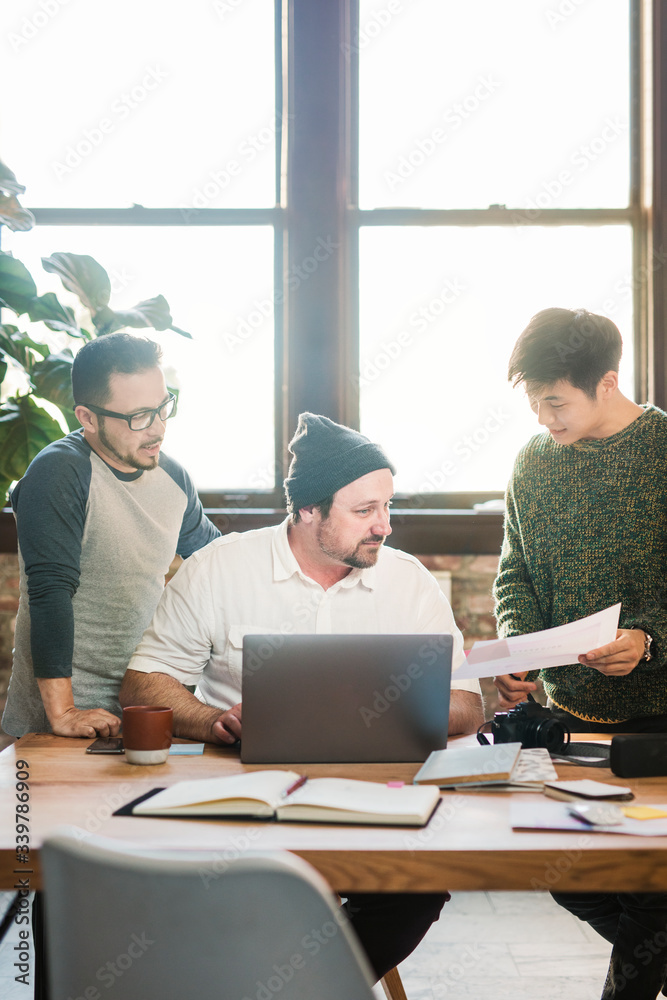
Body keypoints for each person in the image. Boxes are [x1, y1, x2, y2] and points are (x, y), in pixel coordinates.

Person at [119, 412, 484, 982]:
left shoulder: (407, 581)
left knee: (414, 891)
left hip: (370, 805)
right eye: (364, 511)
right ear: (308, 510)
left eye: (387, 507)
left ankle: (296, 989)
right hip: (240, 803)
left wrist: (372, 711)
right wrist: (214, 720)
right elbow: (146, 681)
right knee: (205, 892)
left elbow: (466, 704)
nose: (384, 526)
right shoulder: (221, 568)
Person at [492, 307, 667, 1000]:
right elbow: (516, 574)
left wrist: (649, 642)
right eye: (534, 404)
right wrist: (516, 645)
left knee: (653, 889)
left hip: (658, 718)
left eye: (555, 403)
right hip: (571, 717)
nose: (543, 419)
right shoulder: (532, 464)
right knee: (562, 872)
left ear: (606, 381)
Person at [2, 332, 219, 740]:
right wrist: (64, 713)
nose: (157, 429)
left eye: (162, 407)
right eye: (139, 417)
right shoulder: (58, 473)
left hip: (145, 710)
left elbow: (215, 560)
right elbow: (50, 591)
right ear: (87, 417)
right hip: (61, 722)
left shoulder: (173, 477)